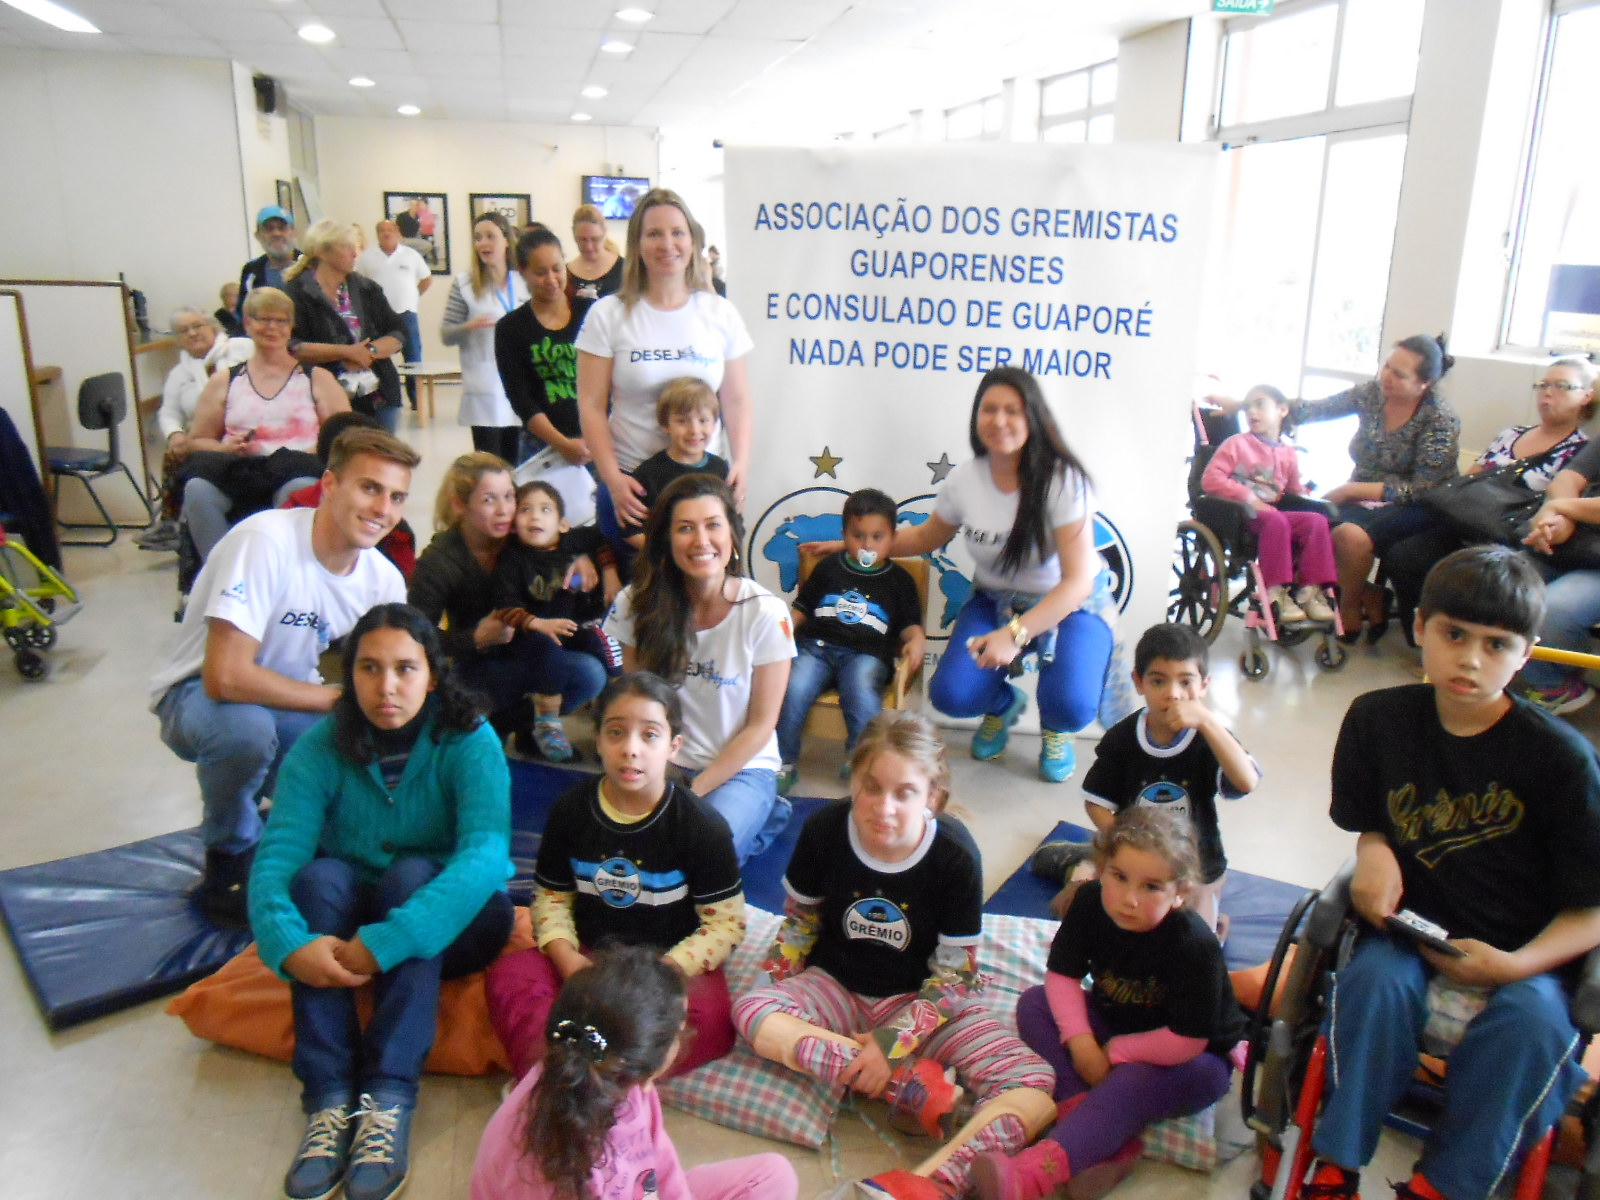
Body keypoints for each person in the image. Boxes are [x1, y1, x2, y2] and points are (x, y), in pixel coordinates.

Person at [1301, 545, 1600, 1200]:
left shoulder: (1563, 762)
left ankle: (1443, 1187)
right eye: (1454, 634)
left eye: (1496, 644)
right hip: (1413, 938)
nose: (1469, 658)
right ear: (1420, 626)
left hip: (1524, 959)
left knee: (1536, 1027)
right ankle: (1336, 1161)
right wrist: (1374, 847)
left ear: (1528, 653)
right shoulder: (1376, 721)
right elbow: (1371, 819)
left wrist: (1513, 966)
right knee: (1370, 983)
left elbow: (1593, 911)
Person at [732, 711, 1056, 1200]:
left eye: (904, 793)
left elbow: (954, 975)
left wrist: (892, 1042)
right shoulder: (823, 830)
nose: (883, 807)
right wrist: (774, 987)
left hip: (923, 999)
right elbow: (800, 924)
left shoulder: (955, 855)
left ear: (933, 797)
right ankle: (907, 1087)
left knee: (1033, 1082)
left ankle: (931, 1183)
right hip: (836, 987)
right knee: (751, 1010)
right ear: (854, 780)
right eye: (871, 787)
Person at [249, 603, 514, 1200]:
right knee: (315, 881)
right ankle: (328, 1099)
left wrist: (390, 940)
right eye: (369, 668)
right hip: (354, 915)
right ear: (349, 676)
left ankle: (388, 1097)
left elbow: (483, 856)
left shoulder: (470, 739)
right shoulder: (319, 748)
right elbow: (275, 863)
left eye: (405, 668)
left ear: (434, 674)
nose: (387, 687)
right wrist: (289, 945)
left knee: (415, 874)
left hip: (460, 917)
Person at [150, 427, 418, 924]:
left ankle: (294, 834)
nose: (383, 508)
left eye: (396, 496)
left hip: (288, 700)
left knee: (363, 784)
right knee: (246, 732)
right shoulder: (264, 541)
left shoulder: (382, 578)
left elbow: (394, 675)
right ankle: (229, 855)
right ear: (331, 485)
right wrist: (339, 701)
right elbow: (224, 678)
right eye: (369, 488)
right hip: (198, 697)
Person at [817, 366, 1114, 784]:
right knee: (952, 696)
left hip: (1069, 605)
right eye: (989, 409)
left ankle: (1056, 729)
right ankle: (1001, 705)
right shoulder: (966, 479)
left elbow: (1077, 581)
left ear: (1033, 416)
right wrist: (857, 547)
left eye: (1012, 410)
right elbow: (925, 536)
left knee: (1072, 703)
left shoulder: (1063, 482)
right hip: (997, 599)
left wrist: (1014, 635)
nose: (999, 420)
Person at [484, 672, 745, 1086]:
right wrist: (569, 962)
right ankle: (547, 1082)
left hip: (665, 963)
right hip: (589, 956)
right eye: (616, 732)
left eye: (650, 735)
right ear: (599, 739)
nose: (631, 750)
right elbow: (551, 898)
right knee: (512, 975)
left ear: (674, 746)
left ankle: (600, 1081)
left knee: (710, 1020)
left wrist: (670, 970)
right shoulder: (570, 810)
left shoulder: (702, 826)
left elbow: (726, 923)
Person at [975, 807, 1247, 1200]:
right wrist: (1082, 1042)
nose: (1129, 899)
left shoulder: (1193, 945)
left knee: (1131, 1080)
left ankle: (1030, 1177)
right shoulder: (1089, 903)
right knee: (1035, 1003)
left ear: (1179, 894)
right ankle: (1093, 1131)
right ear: (1101, 868)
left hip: (1192, 1059)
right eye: (1118, 877)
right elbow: (1063, 977)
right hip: (1113, 1020)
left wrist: (1116, 1052)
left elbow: (1187, 1040)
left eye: (1151, 887)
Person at [471, 945, 798, 1200]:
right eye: (680, 1029)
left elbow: (661, 1166)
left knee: (774, 1175)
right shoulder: (549, 1154)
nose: (687, 1033)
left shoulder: (627, 1081)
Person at [1210, 335, 1460, 642]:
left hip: (1416, 506)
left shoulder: (1439, 419)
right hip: (1363, 496)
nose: (1387, 377)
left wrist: (1351, 491)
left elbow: (1426, 486)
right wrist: (1246, 404)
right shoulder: (1372, 394)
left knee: (1348, 536)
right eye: (1387, 366)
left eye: (1399, 374)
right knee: (1312, 520)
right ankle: (1367, 593)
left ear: (1424, 384)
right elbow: (1313, 409)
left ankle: (1349, 606)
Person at [603, 474, 793, 863]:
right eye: (685, 528)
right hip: (662, 762)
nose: (701, 541)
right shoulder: (635, 603)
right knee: (620, 851)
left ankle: (760, 816)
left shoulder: (764, 613)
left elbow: (761, 725)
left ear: (732, 536)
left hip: (740, 768)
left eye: (713, 525)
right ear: (666, 540)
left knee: (700, 853)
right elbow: (635, 706)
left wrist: (696, 791)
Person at [1044, 623, 1259, 937]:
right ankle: (1079, 869)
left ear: (1204, 685)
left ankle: (1087, 862)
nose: (1173, 693)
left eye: (1186, 682)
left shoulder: (1209, 738)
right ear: (1139, 682)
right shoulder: (1123, 738)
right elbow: (1097, 803)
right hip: (1135, 868)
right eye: (1159, 681)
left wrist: (1210, 723)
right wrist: (1126, 845)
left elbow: (1246, 782)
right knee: (1093, 922)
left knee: (1193, 941)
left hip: (1195, 869)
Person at [577, 187, 754, 545]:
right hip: (635, 489)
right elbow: (591, 406)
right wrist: (612, 479)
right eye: (654, 233)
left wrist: (741, 462)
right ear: (637, 244)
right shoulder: (608, 315)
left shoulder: (719, 312)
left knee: (708, 595)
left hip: (703, 487)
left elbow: (736, 399)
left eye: (677, 232)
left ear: (692, 241)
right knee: (640, 595)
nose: (667, 244)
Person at [1386, 357, 1596, 643]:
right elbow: (1473, 480)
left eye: (1561, 386)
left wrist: (1559, 509)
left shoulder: (1577, 446)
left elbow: (1551, 499)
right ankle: (1426, 640)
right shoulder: (1514, 433)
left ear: (1587, 395)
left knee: (1493, 585)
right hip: (1473, 517)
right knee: (1404, 546)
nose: (1548, 392)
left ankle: (1502, 663)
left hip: (1509, 528)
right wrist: (1560, 513)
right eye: (1544, 384)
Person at [178, 286, 349, 559]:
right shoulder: (225, 380)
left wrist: (310, 453)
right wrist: (225, 448)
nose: (272, 327)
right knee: (197, 489)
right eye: (262, 319)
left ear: (291, 326)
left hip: (298, 468)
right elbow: (196, 441)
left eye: (280, 320)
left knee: (299, 488)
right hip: (242, 470)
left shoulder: (316, 378)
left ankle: (281, 571)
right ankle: (222, 573)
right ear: (247, 323)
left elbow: (344, 441)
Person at [774, 486, 925, 794]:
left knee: (860, 687)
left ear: (893, 538)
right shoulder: (829, 567)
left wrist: (917, 640)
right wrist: (780, 633)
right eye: (858, 536)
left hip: (866, 654)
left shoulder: (899, 580)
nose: (867, 544)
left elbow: (910, 625)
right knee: (793, 686)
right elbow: (801, 609)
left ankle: (861, 759)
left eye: (877, 537)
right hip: (816, 647)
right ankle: (782, 761)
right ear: (844, 535)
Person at [490, 480, 619, 761]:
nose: (535, 516)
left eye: (545, 510)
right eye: (525, 510)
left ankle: (610, 720)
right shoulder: (513, 558)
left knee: (601, 643)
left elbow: (600, 539)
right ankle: (547, 724)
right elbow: (505, 605)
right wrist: (537, 623)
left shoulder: (570, 542)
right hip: (528, 636)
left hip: (565, 628)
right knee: (550, 653)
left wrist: (608, 570)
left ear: (562, 524)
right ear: (513, 524)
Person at [1200, 384, 1338, 623]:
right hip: (1240, 515)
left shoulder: (1288, 453)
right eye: (1247, 407)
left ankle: (1310, 590)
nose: (1252, 412)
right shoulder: (1237, 444)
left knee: (1316, 521)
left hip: (1274, 515)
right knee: (1276, 519)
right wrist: (1249, 498)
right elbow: (1210, 479)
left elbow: (1293, 490)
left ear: (1282, 410)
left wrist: (1310, 496)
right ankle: (1275, 592)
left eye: (1260, 405)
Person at [138, 307, 251, 551]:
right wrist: (175, 434)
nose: (192, 333)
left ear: (212, 326)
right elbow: (168, 411)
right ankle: (171, 524)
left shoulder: (242, 349)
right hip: (204, 436)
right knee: (176, 451)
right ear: (177, 340)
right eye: (183, 331)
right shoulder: (179, 374)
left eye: (197, 326)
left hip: (244, 428)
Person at [282, 219, 407, 433]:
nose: (354, 253)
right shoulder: (296, 293)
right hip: (323, 397)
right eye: (347, 246)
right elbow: (291, 346)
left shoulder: (367, 289)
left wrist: (370, 352)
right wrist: (345, 353)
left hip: (379, 394)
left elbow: (398, 332)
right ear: (322, 251)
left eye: (355, 247)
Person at [495, 228, 593, 465]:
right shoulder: (510, 328)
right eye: (540, 272)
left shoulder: (591, 312)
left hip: (597, 441)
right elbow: (521, 399)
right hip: (542, 446)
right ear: (523, 272)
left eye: (557, 269)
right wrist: (563, 444)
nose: (551, 279)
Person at [1520, 426, 1600, 713]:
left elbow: (1564, 500)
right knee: (1490, 586)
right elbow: (1566, 479)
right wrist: (1558, 520)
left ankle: (1554, 684)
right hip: (1575, 543)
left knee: (1550, 610)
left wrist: (1562, 509)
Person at [443, 211, 529, 462]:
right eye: (477, 238)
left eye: (490, 236)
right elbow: (447, 335)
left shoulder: (525, 281)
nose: (483, 243)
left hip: (521, 387)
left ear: (506, 240)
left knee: (519, 466)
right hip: (485, 389)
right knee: (489, 466)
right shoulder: (464, 284)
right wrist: (468, 327)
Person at [618, 376, 730, 550]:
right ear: (665, 425)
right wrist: (670, 557)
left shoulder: (721, 469)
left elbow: (732, 523)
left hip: (713, 560)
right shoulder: (649, 473)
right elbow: (631, 531)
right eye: (682, 421)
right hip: (664, 568)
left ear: (715, 424)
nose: (694, 430)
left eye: (703, 420)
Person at [356, 219, 433, 411]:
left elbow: (426, 279)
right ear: (377, 234)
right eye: (382, 230)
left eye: (390, 230)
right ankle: (384, 397)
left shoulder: (411, 255)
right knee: (378, 355)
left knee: (413, 358)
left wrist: (414, 296)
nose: (386, 233)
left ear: (397, 232)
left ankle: (416, 401)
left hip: (406, 313)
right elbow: (358, 283)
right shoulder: (367, 258)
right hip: (377, 317)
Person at [238, 204, 300, 318]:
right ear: (258, 236)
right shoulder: (251, 272)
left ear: (293, 232)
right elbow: (243, 316)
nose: (276, 233)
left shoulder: (311, 265)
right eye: (269, 229)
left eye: (282, 228)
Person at [566, 202, 623, 302]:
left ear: (604, 232)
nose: (589, 247)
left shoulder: (625, 269)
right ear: (574, 235)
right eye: (583, 239)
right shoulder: (566, 273)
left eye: (595, 239)